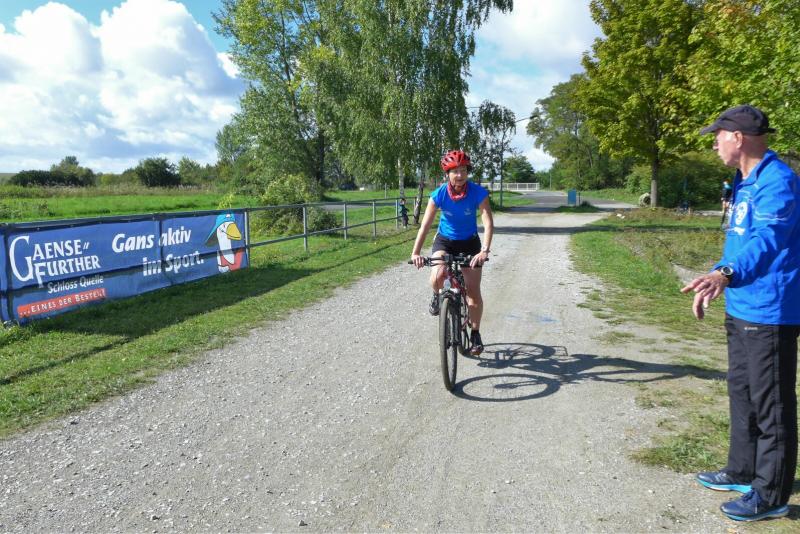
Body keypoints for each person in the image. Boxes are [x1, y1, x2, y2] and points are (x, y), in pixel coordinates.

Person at [681, 104, 800, 522]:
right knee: (742, 391)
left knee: (772, 404)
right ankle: (742, 469)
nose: (714, 143)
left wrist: (727, 274)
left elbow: (769, 239)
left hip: (770, 310)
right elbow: (738, 242)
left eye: (718, 136)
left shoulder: (777, 181)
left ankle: (771, 495)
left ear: (738, 137)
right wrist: (716, 276)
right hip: (741, 304)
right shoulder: (744, 181)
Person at [411, 149, 494, 355]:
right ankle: (436, 295)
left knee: (473, 292)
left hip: (470, 243)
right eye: (455, 171)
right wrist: (416, 253)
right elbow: (425, 225)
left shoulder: (478, 192)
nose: (460, 175)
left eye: (463, 170)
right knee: (437, 275)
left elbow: (487, 222)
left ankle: (475, 334)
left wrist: (484, 250)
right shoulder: (439, 194)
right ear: (447, 174)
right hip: (445, 241)